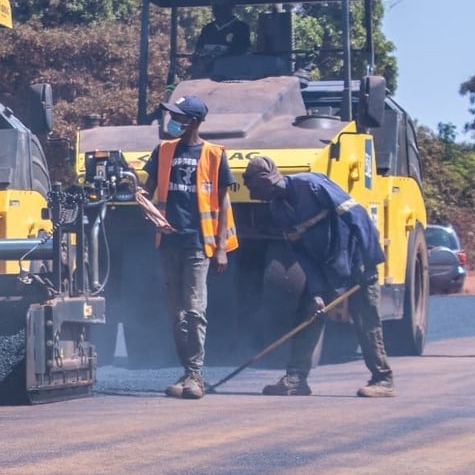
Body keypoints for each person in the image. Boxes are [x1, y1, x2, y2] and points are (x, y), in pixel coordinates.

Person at [242, 156, 394, 397]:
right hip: (326, 268)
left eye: (252, 188)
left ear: (265, 182)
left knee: (365, 318)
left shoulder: (311, 185)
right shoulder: (277, 209)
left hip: (355, 262)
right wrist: (315, 291)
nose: (252, 194)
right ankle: (297, 379)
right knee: (308, 313)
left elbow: (358, 217)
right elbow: (300, 252)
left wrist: (370, 263)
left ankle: (383, 379)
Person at [136, 94, 237, 399]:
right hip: (169, 242)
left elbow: (223, 202)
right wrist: (136, 190)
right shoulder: (163, 151)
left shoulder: (214, 155)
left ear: (192, 121)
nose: (173, 121)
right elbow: (148, 188)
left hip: (197, 243)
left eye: (178, 117)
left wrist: (221, 248)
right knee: (177, 313)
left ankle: (196, 376)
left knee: (195, 310)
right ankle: (186, 371)